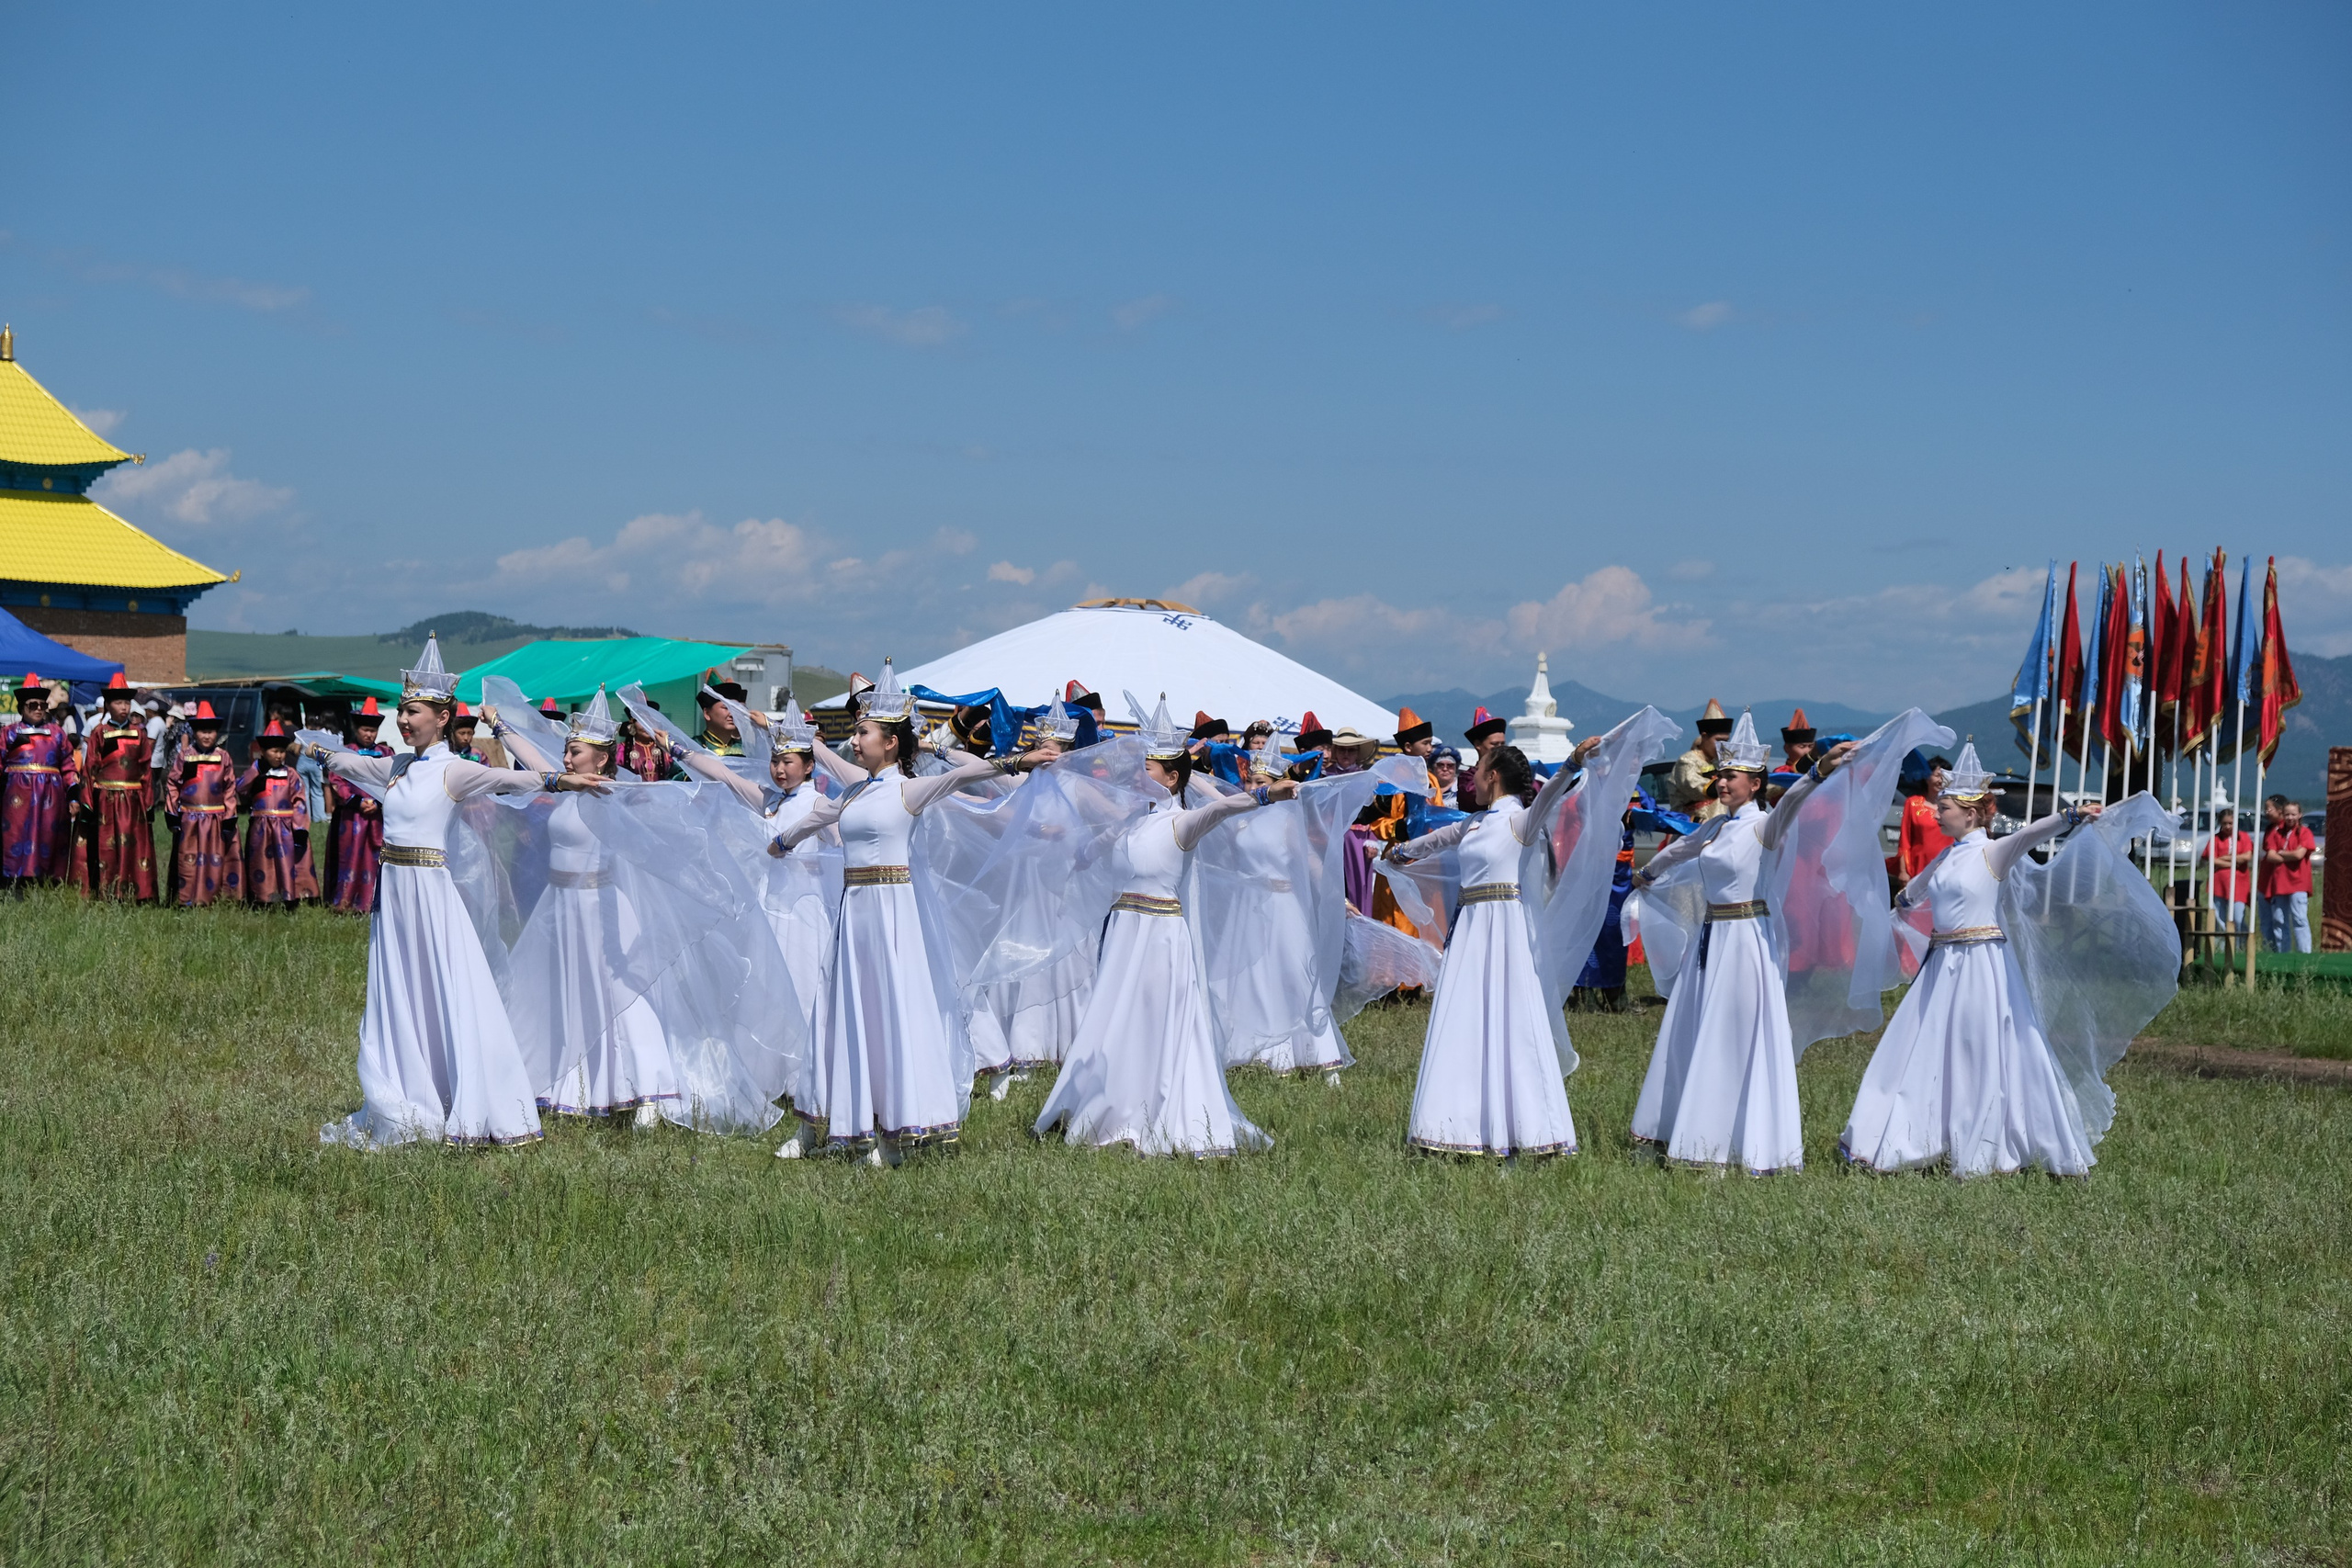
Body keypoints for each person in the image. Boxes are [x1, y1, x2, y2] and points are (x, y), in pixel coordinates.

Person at [313, 636, 609, 1149]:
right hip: (395, 899)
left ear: (443, 716)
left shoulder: (455, 770)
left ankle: (468, 1095)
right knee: (401, 989)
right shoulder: (399, 767)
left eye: (414, 712)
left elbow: (508, 780)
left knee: (446, 987)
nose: (403, 721)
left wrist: (561, 781)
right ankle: (409, 1088)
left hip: (431, 895)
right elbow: (352, 766)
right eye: (401, 712)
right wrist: (315, 748)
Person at [768, 660, 1050, 1165]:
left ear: (892, 742)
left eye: (864, 732)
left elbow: (967, 774)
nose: (855, 740)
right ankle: (814, 1125)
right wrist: (780, 841)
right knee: (836, 1013)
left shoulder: (908, 790)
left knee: (891, 1013)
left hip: (893, 921)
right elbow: (818, 816)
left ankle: (894, 1133)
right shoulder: (856, 791)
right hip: (852, 918)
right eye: (856, 731)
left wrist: (1017, 762)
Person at [1385, 716, 1670, 1159]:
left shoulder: (1520, 820)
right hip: (1471, 932)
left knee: (1509, 1020)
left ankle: (1525, 1127)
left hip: (1503, 931)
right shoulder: (1475, 823)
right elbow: (1432, 842)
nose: (1472, 778)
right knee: (1465, 1017)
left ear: (1493, 776)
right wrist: (1392, 855)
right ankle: (1455, 1123)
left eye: (1479, 771)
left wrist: (1573, 761)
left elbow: (1553, 793)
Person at [1035, 695, 1296, 1156]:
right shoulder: (1132, 822)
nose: (1138, 776)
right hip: (1124, 936)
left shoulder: (1183, 823)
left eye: (1148, 770)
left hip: (1159, 939)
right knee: (1117, 1016)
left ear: (1172, 778)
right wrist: (1080, 851)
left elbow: (1222, 809)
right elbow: (1095, 844)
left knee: (1154, 1019)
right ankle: (1109, 1107)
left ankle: (1153, 1111)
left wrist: (1263, 794)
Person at [1839, 744, 2114, 1176]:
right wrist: (1900, 901)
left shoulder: (1992, 853)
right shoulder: (1948, 855)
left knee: (1980, 1049)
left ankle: (1989, 1144)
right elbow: (1916, 892)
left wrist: (2071, 816)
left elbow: (2030, 834)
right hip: (1941, 965)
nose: (1936, 814)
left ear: (1970, 814)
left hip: (1981, 966)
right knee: (1922, 1047)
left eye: (1944, 808)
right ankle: (1911, 1136)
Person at [1626, 713, 1860, 1173]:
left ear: (1754, 784)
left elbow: (1795, 800)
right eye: (1719, 776)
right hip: (1711, 939)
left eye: (1730, 777)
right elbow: (1682, 848)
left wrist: (1819, 768)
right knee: (1696, 1029)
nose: (1721, 783)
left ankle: (1739, 1136)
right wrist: (1647, 874)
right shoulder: (1716, 827)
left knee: (1738, 1033)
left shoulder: (1764, 827)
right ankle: (1691, 1127)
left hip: (1747, 941)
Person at [74, 671, 156, 901]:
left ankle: (133, 891)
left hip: (132, 800)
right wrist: (87, 803)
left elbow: (146, 770)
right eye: (118, 702)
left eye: (127, 702)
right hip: (106, 800)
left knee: (132, 845)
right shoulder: (99, 733)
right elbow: (89, 769)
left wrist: (149, 802)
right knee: (107, 846)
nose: (124, 706)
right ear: (108, 705)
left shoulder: (139, 733)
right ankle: (107, 890)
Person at [2, 672, 79, 889]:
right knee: (15, 835)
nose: (38, 709)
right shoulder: (9, 733)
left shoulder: (57, 734)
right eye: (32, 705)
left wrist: (73, 795)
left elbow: (68, 766)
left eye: (42, 705)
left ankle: (47, 882)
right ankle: (13, 881)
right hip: (17, 797)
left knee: (48, 835)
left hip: (51, 797)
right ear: (21, 708)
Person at [165, 702, 242, 906]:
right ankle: (187, 897)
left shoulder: (223, 757)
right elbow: (173, 783)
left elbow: (229, 787)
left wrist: (229, 817)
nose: (206, 736)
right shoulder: (185, 756)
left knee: (214, 858)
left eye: (211, 732)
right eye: (202, 732)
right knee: (189, 859)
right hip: (190, 818)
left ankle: (213, 897)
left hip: (216, 818)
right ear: (194, 733)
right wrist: (172, 813)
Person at [239, 723, 319, 908]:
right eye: (274, 751)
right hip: (261, 827)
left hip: (284, 828)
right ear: (264, 752)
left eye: (282, 751)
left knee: (285, 862)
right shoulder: (257, 772)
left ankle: (289, 896)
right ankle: (263, 897)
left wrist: (300, 828)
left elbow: (299, 801)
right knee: (262, 861)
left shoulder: (290, 774)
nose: (279, 755)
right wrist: (255, 771)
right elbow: (240, 788)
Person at [326, 698, 392, 914]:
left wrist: (380, 803)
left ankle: (372, 901)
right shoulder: (344, 752)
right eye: (365, 729)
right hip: (352, 816)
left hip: (378, 817)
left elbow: (394, 780)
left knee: (376, 858)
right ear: (356, 728)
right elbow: (336, 780)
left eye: (373, 731)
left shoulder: (386, 754)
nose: (369, 735)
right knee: (350, 857)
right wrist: (355, 801)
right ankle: (345, 901)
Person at [1659, 699, 1732, 824]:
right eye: (1719, 741)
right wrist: (1736, 784)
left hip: (1719, 828)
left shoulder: (1719, 762)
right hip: (1692, 830)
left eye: (1726, 741)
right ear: (1704, 737)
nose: (1722, 746)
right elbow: (1695, 787)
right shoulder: (1687, 762)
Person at [2261, 796, 2316, 954]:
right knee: (2279, 920)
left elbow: (2300, 854)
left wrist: (2282, 853)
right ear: (2282, 815)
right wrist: (2288, 855)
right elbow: (2270, 856)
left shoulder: (2305, 833)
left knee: (2299, 918)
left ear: (2299, 815)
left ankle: (2304, 953)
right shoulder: (2276, 833)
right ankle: (2282, 953)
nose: (2290, 818)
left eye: (2293, 814)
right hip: (2279, 883)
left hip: (2298, 883)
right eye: (2287, 814)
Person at [1896, 750, 1954, 886]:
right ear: (1927, 777)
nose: (1941, 780)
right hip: (1919, 867)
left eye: (1945, 777)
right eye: (1937, 775)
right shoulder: (1913, 803)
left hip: (1947, 867)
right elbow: (1905, 840)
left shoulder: (1955, 805)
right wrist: (1903, 870)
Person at [2204, 808, 2253, 940]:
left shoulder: (2243, 837)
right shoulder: (2215, 839)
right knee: (2219, 917)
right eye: (2224, 823)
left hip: (2239, 883)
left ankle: (2241, 942)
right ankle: (2223, 945)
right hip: (2218, 883)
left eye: (2230, 823)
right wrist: (2234, 862)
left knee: (2238, 917)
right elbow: (2212, 859)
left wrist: (2224, 858)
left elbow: (2247, 856)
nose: (2227, 826)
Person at [696, 680, 748, 756]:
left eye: (735, 709)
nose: (732, 714)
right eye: (726, 708)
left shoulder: (746, 749)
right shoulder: (693, 747)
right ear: (707, 713)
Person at [1463, 705, 1508, 773]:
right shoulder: (1469, 777)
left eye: (1502, 744)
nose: (1500, 748)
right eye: (1494, 744)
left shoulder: (1512, 772)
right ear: (1478, 744)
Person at [1779, 709, 1818, 775]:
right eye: (1802, 747)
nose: (1807, 751)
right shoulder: (1781, 773)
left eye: (1810, 746)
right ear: (1787, 748)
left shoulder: (1818, 772)